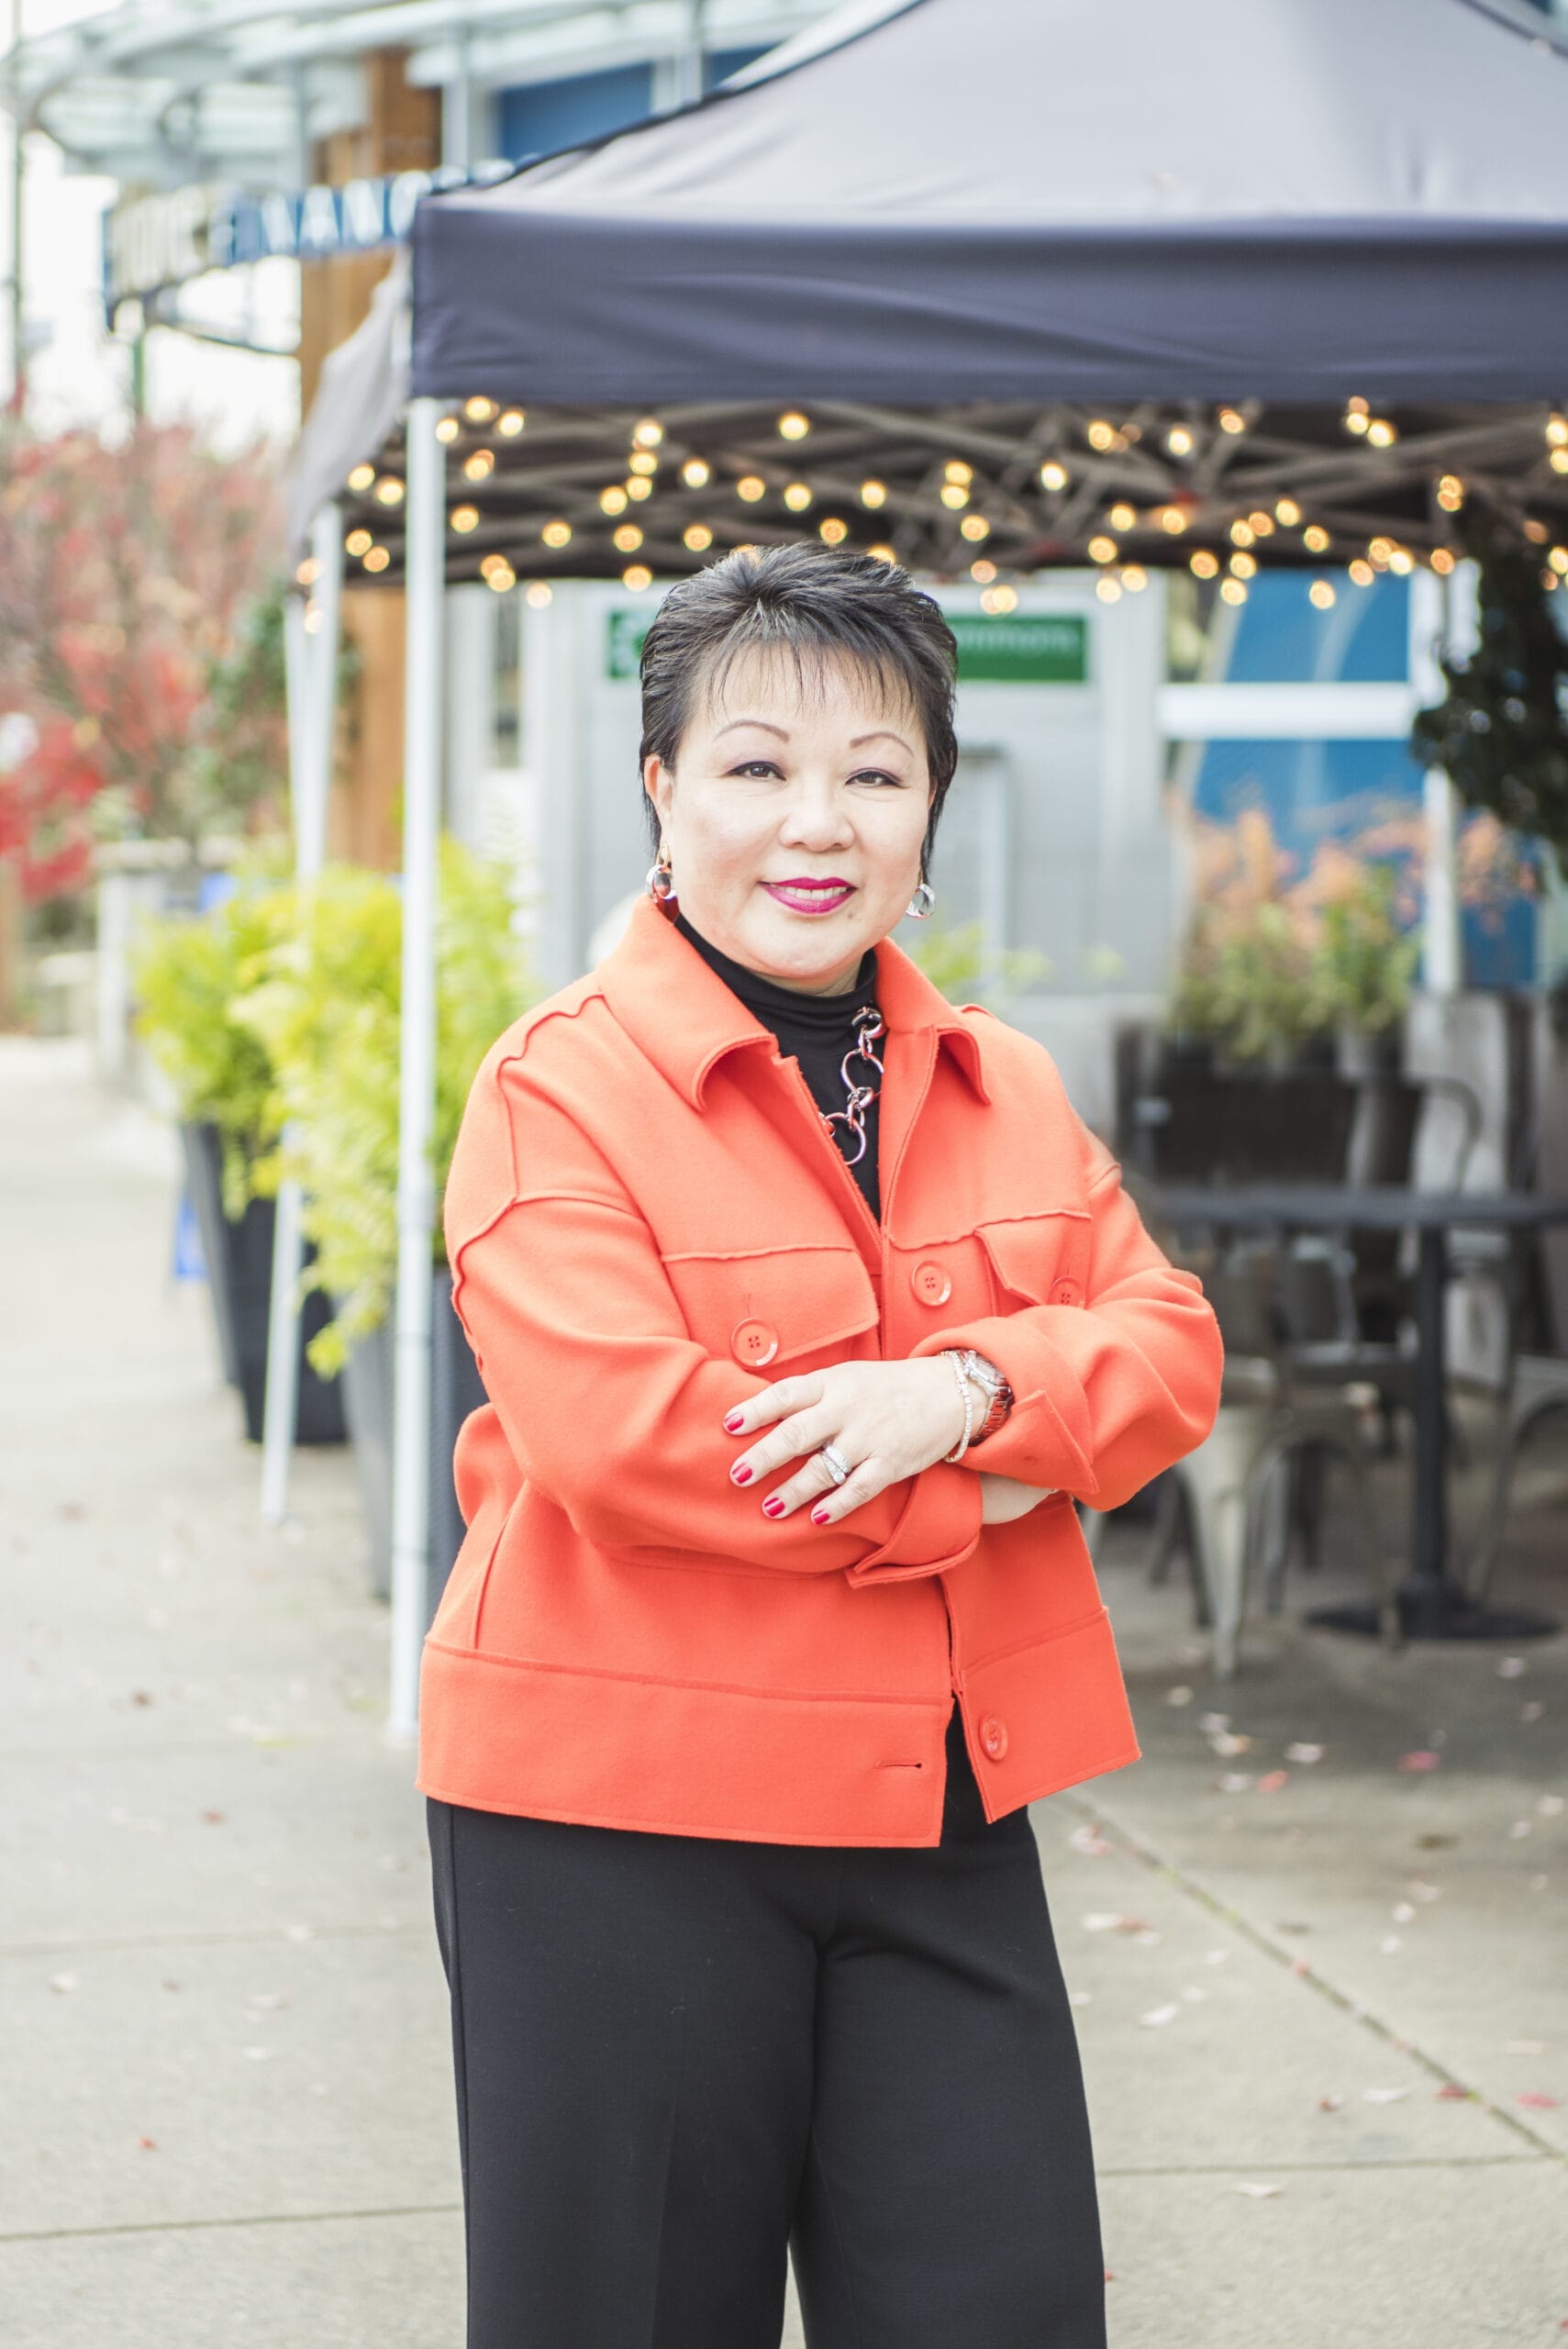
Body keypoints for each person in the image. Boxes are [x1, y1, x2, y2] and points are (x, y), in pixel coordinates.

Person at [419, 542, 1223, 2349]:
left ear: (930, 806)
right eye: (757, 764)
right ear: (663, 793)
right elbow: (628, 1439)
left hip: (942, 1800)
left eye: (875, 770)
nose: (819, 819)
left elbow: (1171, 1345)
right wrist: (1022, 1463)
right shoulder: (557, 1084)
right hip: (612, 1822)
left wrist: (954, 1392)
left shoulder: (1004, 1082)